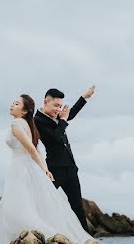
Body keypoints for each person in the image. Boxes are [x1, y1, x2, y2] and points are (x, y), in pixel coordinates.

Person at [0, 94, 92, 244]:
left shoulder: (17, 124)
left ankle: (38, 239)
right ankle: (29, 242)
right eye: (13, 102)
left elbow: (31, 149)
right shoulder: (30, 123)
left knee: (20, 208)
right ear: (46, 102)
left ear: (24, 111)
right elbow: (34, 149)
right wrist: (43, 168)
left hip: (22, 169)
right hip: (28, 167)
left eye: (16, 103)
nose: (12, 105)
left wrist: (44, 169)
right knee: (37, 205)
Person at [34, 85, 95, 232]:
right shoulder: (38, 120)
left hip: (70, 168)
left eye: (60, 106)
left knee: (77, 206)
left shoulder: (58, 116)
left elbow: (69, 115)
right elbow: (55, 137)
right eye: (56, 105)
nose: (58, 109)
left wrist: (84, 97)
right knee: (45, 203)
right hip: (54, 169)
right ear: (45, 102)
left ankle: (86, 240)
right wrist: (63, 120)